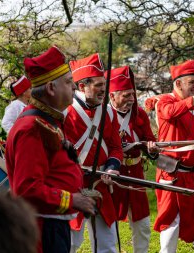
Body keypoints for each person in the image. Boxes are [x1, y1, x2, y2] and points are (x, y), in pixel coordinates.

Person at [5, 46, 96, 253]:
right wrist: (72, 199)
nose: (74, 87)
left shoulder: (47, 120)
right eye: (68, 82)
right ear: (51, 88)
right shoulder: (32, 128)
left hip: (52, 223)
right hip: (43, 229)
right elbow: (26, 189)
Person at [154, 59, 194, 253]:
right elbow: (170, 112)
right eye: (191, 82)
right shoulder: (165, 101)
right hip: (174, 173)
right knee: (171, 221)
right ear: (178, 84)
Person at [64, 53, 123, 253]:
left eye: (103, 84)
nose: (103, 89)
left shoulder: (108, 111)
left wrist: (112, 168)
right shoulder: (66, 112)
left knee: (107, 243)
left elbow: (115, 147)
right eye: (98, 85)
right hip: (74, 185)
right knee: (71, 243)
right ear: (82, 86)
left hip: (101, 184)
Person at [107, 66, 159, 253]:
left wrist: (151, 150)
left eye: (132, 95)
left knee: (143, 224)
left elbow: (150, 142)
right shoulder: (104, 115)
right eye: (126, 95)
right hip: (112, 175)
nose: (131, 99)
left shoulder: (140, 114)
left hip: (136, 173)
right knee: (108, 226)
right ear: (112, 96)